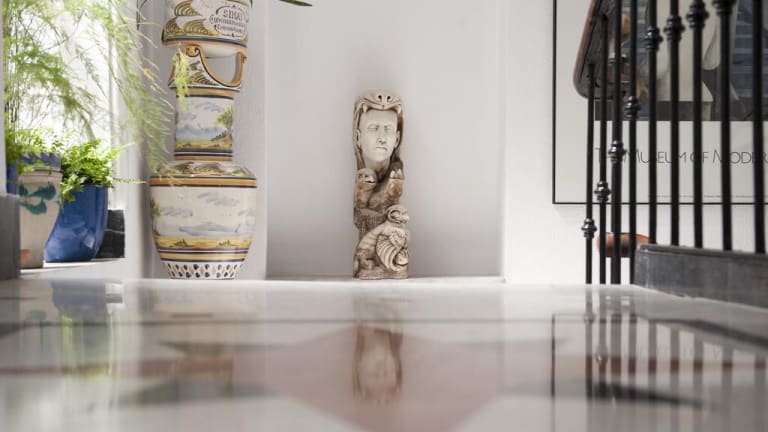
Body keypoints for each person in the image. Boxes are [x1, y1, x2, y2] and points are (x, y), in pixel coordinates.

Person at [352, 91, 405, 237]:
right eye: (373, 128)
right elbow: (359, 218)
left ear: (397, 139)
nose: (382, 138)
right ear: (358, 137)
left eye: (388, 129)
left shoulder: (396, 176)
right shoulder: (363, 182)